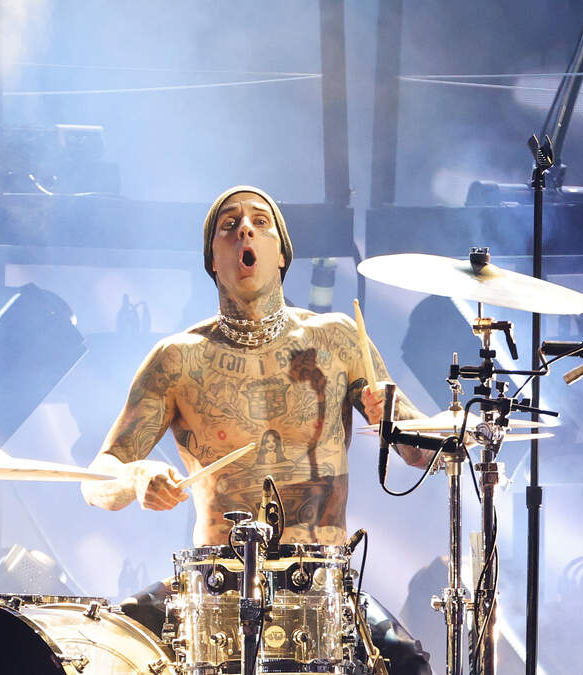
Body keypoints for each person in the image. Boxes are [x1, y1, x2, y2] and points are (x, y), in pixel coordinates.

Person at [80, 185, 434, 674]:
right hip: (215, 585)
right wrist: (136, 476)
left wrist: (391, 418)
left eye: (260, 222)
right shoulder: (177, 359)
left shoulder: (339, 340)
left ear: (282, 253)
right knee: (109, 651)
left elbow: (425, 453)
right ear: (213, 260)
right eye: (229, 225)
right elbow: (96, 481)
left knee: (408, 665)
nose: (244, 229)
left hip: (323, 585)